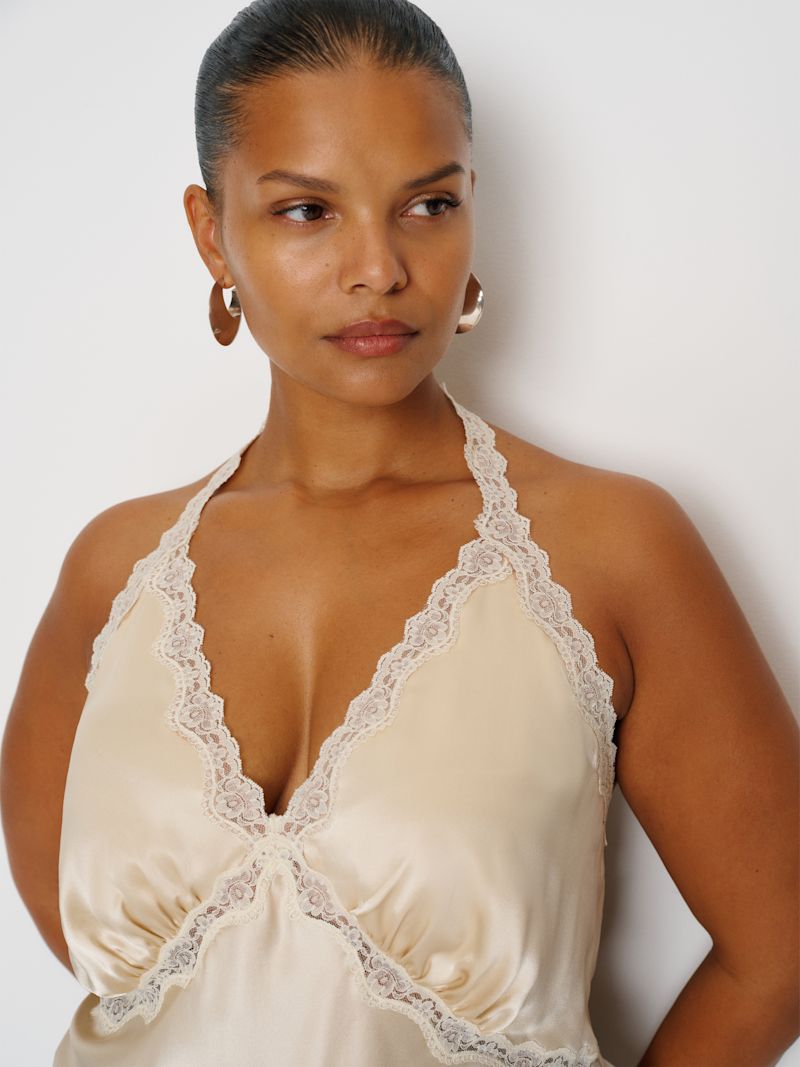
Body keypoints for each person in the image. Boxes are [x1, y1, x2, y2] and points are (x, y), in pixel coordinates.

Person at [1, 0, 797, 1064]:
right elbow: (129, 998)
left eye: (427, 204)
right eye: (306, 210)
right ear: (211, 232)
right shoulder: (114, 571)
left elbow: (778, 951)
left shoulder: (610, 549)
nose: (377, 266)